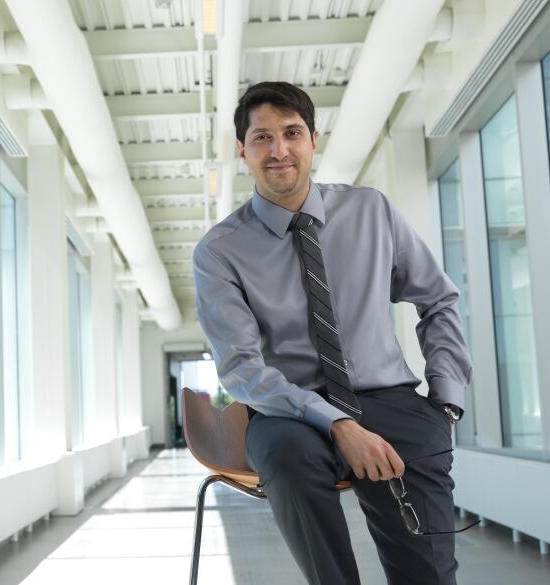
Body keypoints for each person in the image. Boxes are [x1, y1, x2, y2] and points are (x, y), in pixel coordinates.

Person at [192, 81, 473, 585]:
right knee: (287, 456)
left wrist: (447, 400)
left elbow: (439, 299)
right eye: (262, 138)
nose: (278, 150)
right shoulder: (220, 252)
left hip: (388, 395)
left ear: (312, 140)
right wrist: (338, 423)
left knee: (427, 575)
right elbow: (241, 368)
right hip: (287, 408)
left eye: (291, 133)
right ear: (242, 150)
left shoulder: (371, 211)